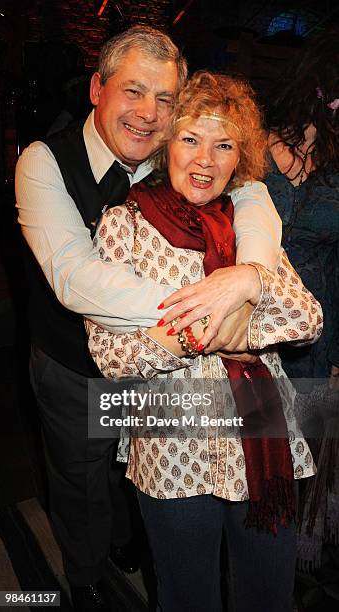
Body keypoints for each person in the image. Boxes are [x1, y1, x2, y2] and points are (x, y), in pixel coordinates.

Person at [16, 25, 281, 609]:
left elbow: (253, 193)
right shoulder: (43, 161)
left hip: (165, 367)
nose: (148, 113)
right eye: (133, 91)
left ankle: (133, 547)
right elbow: (74, 278)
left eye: (165, 99)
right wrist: (212, 301)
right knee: (83, 483)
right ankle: (85, 579)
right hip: (76, 366)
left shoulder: (179, 146)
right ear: (96, 88)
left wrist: (252, 274)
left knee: (145, 473)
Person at [86, 71, 323, 612]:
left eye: (223, 145)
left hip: (262, 436)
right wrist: (217, 332)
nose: (205, 160)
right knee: (186, 598)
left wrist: (247, 280)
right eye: (190, 139)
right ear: (166, 141)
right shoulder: (124, 227)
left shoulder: (249, 224)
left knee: (268, 597)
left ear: (239, 156)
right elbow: (112, 356)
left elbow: (307, 317)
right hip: (173, 445)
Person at [264, 30, 339, 573]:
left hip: (313, 341)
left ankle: (286, 573)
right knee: (254, 459)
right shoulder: (255, 146)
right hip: (250, 335)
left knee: (304, 462)